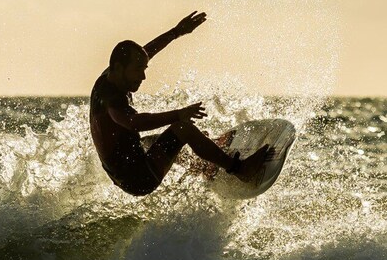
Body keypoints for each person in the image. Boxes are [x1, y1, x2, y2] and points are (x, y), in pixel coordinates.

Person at [89, 11, 271, 196]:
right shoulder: (111, 98)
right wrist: (178, 114)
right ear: (119, 68)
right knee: (183, 129)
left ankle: (204, 164)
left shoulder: (110, 77)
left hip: (125, 171)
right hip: (138, 178)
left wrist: (176, 32)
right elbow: (134, 123)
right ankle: (239, 169)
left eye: (144, 68)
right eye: (138, 70)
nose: (143, 76)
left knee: (149, 142)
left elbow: (147, 51)